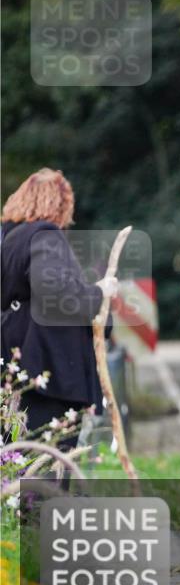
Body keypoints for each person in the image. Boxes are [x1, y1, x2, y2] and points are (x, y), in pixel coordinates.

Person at [1, 168, 119, 447]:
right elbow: (59, 294)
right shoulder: (44, 234)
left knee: (19, 457)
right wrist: (100, 291)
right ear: (61, 204)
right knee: (49, 462)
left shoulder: (10, 240)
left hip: (16, 365)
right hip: (49, 372)